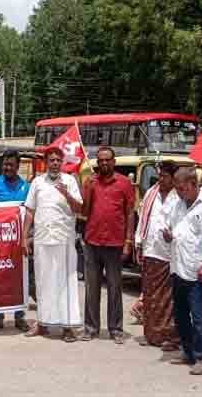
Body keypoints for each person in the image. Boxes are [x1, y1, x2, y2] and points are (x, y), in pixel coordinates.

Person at [21, 147, 83, 341]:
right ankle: (43, 324)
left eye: (58, 160)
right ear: (46, 162)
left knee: (65, 283)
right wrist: (24, 237)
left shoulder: (70, 181)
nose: (55, 163)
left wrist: (67, 194)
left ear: (62, 162)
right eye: (51, 160)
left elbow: (79, 208)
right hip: (42, 239)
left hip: (64, 240)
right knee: (43, 282)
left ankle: (67, 327)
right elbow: (30, 210)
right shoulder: (38, 182)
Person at [164, 167, 202, 375]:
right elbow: (173, 231)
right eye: (177, 189)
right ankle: (187, 352)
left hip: (197, 271)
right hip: (177, 268)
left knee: (198, 317)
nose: (179, 192)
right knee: (180, 316)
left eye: (182, 188)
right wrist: (168, 236)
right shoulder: (178, 205)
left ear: (193, 184)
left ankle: (201, 358)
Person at [81, 147, 135, 344]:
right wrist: (86, 190)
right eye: (100, 160)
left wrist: (129, 242)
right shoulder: (91, 182)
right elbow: (84, 211)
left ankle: (116, 329)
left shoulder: (125, 183)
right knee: (91, 287)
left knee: (114, 288)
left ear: (114, 161)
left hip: (115, 243)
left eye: (107, 160)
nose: (104, 163)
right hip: (92, 241)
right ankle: (91, 328)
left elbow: (130, 213)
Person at [135, 161, 181, 351]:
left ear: (173, 178)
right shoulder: (150, 194)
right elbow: (142, 220)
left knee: (169, 299)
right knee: (151, 295)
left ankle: (169, 336)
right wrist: (138, 243)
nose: (161, 179)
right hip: (151, 250)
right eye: (159, 175)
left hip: (171, 253)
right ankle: (151, 334)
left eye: (165, 176)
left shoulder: (179, 197)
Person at [0, 150, 31, 332]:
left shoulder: (26, 187)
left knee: (21, 280)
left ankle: (20, 317)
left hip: (20, 242)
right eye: (5, 164)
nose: (8, 168)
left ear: (18, 166)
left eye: (11, 165)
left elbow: (29, 212)